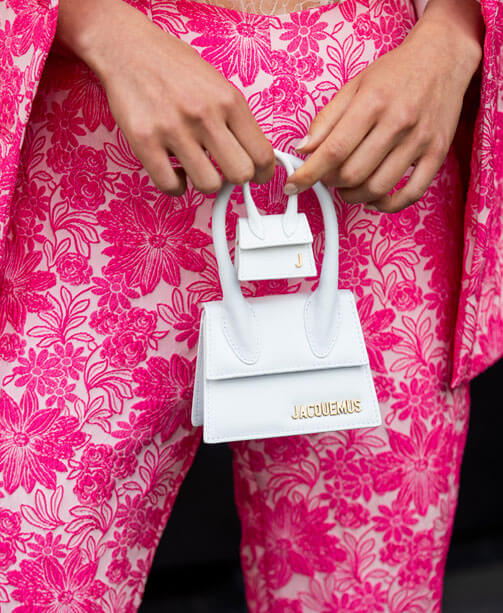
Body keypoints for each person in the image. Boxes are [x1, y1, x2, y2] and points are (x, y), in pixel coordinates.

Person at [0, 0, 501, 610]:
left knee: (366, 594)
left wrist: (452, 35)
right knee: (35, 580)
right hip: (97, 196)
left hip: (379, 190)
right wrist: (99, 27)